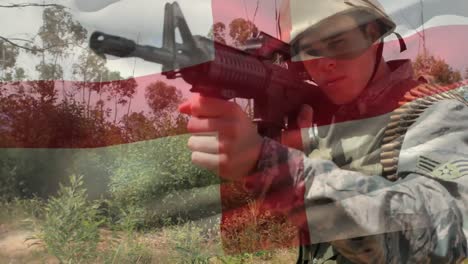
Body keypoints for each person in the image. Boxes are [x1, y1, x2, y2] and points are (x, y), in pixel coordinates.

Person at [179, 0, 468, 263]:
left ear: (371, 35)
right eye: (307, 50)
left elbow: (442, 231)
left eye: (338, 42)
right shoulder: (325, 122)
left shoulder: (435, 113)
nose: (323, 63)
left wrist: (273, 165)